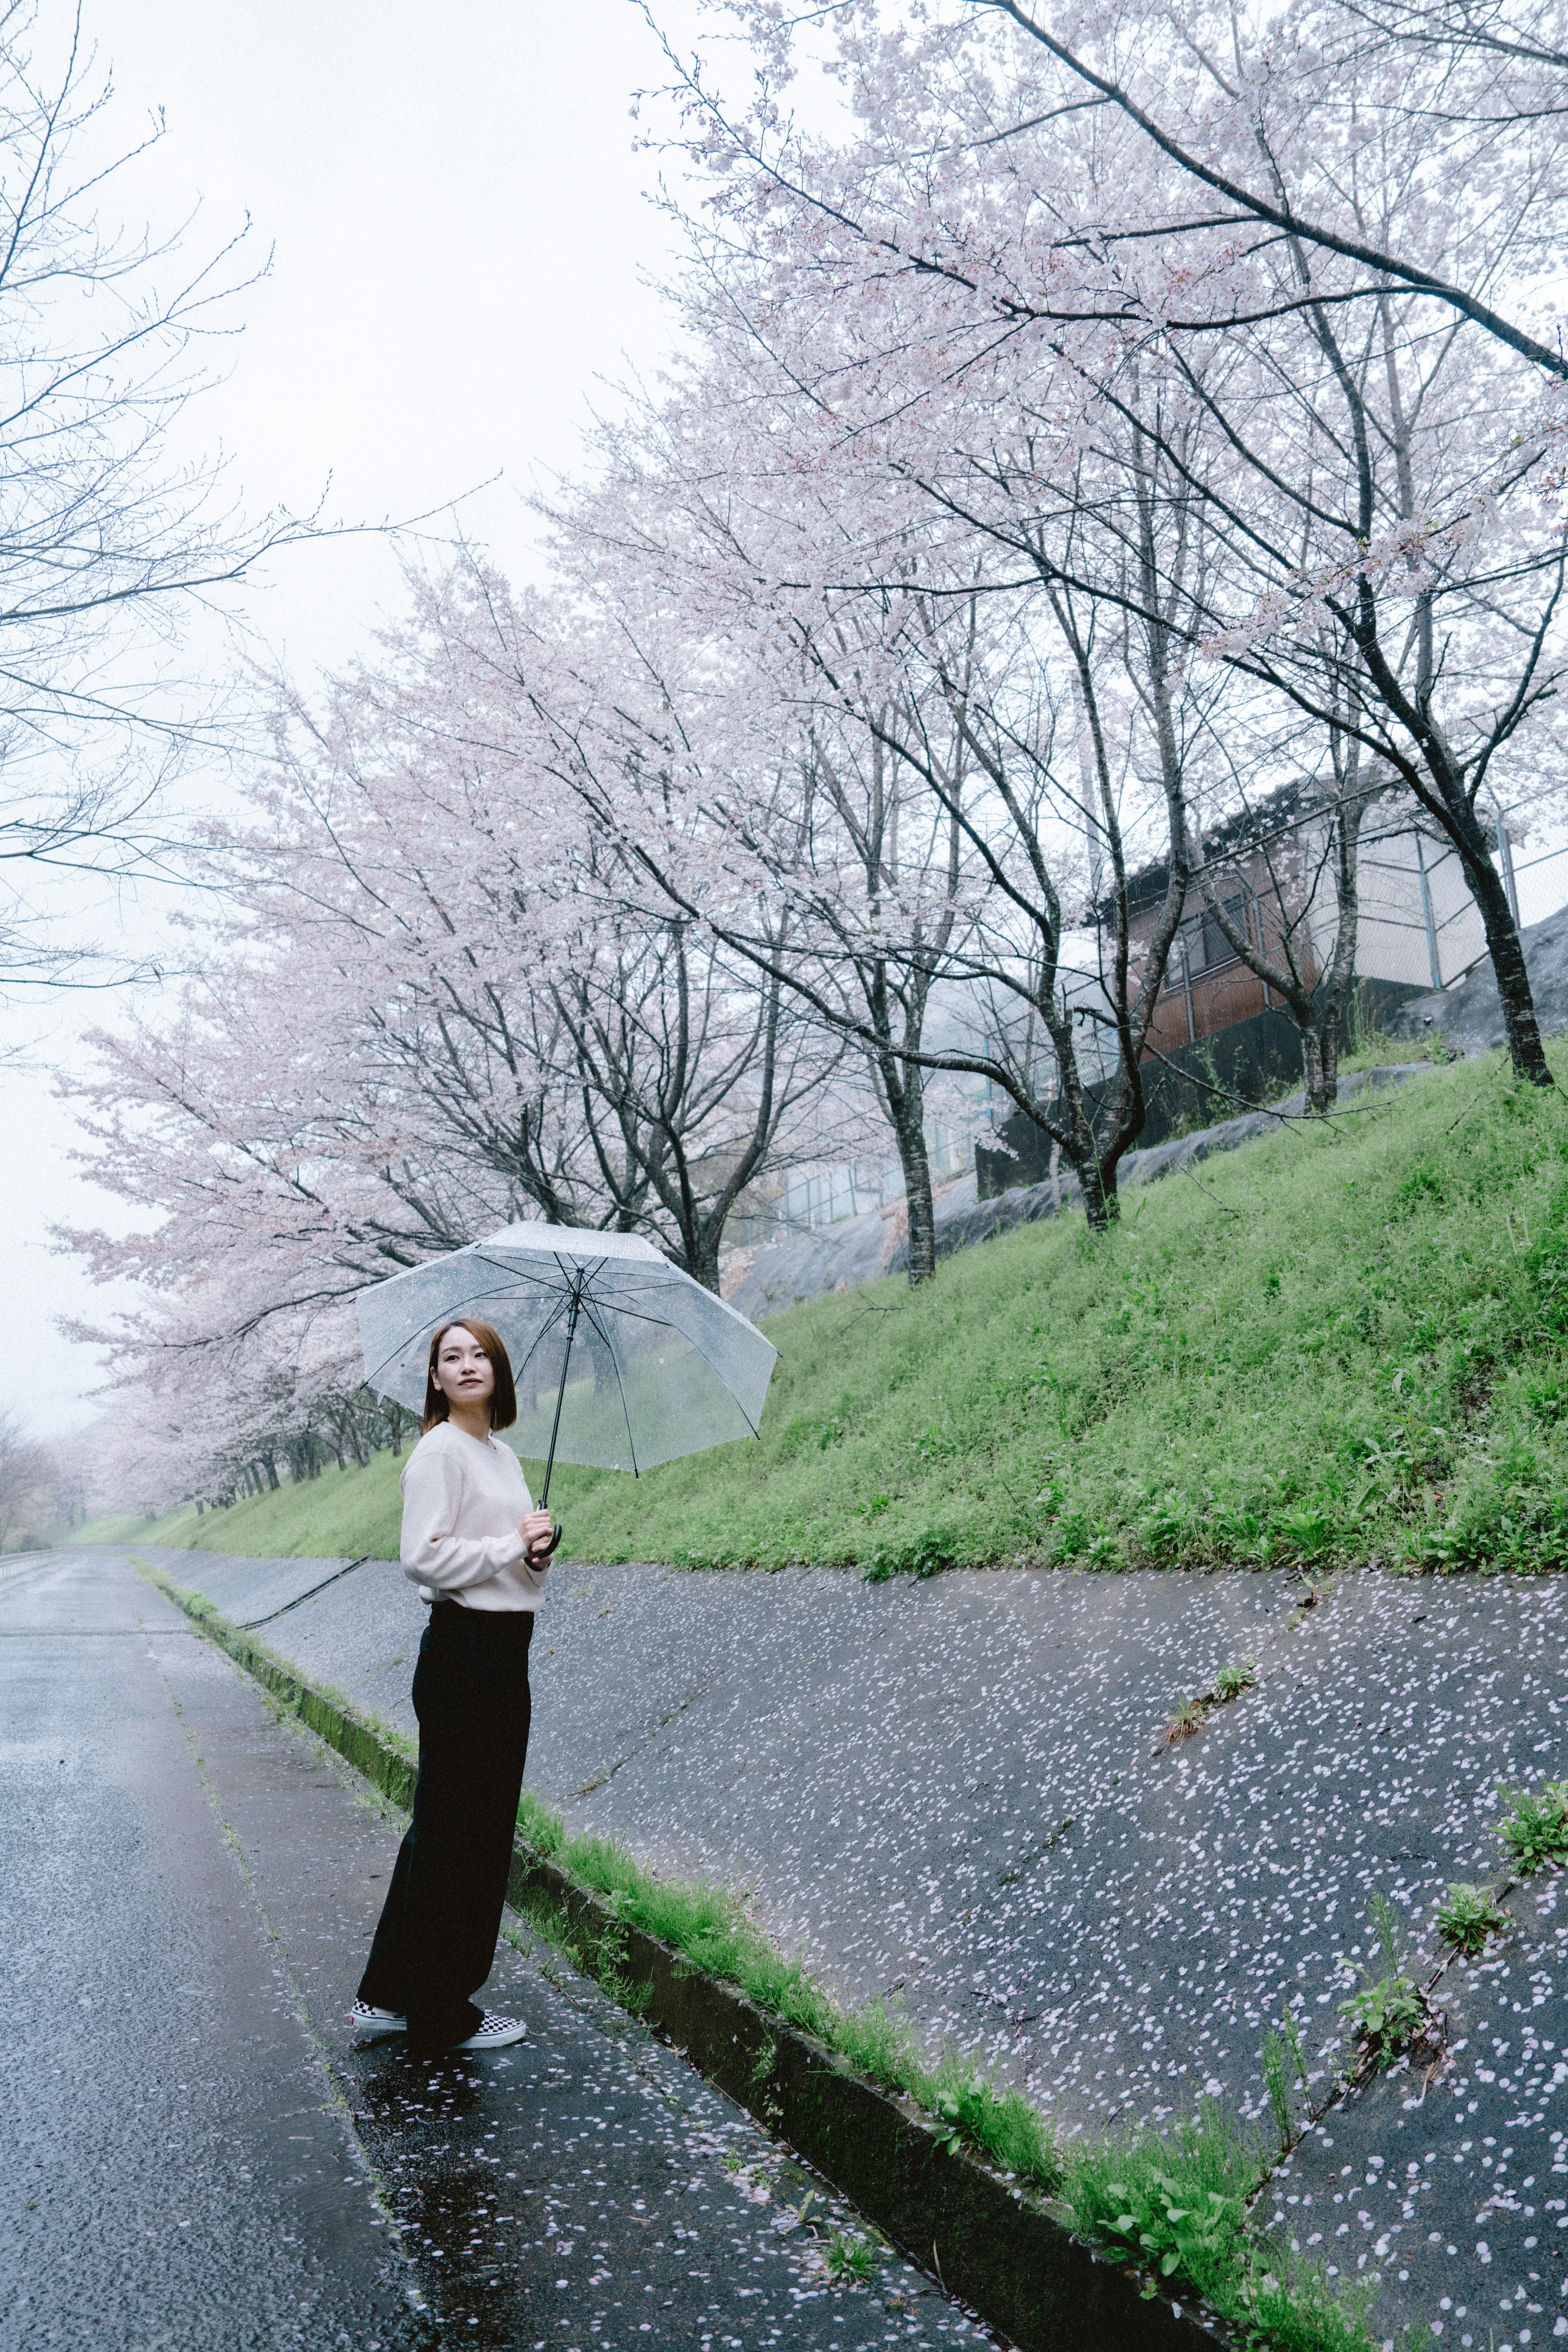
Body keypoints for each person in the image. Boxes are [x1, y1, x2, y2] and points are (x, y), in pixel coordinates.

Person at [350, 1318, 556, 2056]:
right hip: (464, 1651)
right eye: (451, 1358)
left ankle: (392, 1996)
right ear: (435, 1379)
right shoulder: (440, 1451)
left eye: (480, 1355)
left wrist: (534, 1556)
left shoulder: (499, 1453)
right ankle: (440, 2010)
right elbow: (423, 1557)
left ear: (499, 1372)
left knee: (466, 1827)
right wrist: (510, 1544)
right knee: (456, 1833)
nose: (467, 1365)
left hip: (504, 1649)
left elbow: (508, 1567)